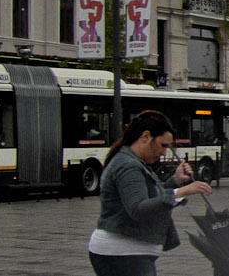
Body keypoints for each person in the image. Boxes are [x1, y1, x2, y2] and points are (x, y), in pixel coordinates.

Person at [86, 110, 214, 276]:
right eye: (163, 145)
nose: (163, 153)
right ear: (146, 136)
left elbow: (147, 196)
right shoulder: (128, 165)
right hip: (124, 254)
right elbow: (138, 209)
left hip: (128, 253)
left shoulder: (132, 162)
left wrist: (175, 181)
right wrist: (181, 191)